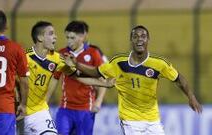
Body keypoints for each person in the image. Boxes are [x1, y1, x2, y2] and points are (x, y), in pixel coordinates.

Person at [64, 25, 202, 135]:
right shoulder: (118, 62)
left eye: (143, 36)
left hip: (153, 120)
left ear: (148, 40)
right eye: (135, 36)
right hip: (130, 121)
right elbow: (95, 72)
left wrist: (191, 97)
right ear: (131, 40)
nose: (139, 39)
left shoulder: (159, 64)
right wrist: (77, 64)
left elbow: (179, 79)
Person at [16, 21, 76, 135]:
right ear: (40, 37)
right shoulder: (24, 58)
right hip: (20, 113)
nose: (55, 36)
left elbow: (78, 76)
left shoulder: (57, 58)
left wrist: (74, 65)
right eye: (51, 33)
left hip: (40, 112)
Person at [52, 20, 107, 135]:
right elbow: (54, 78)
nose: (68, 41)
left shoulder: (93, 53)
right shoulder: (62, 54)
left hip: (86, 109)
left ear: (82, 37)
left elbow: (103, 81)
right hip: (65, 108)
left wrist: (98, 101)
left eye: (72, 38)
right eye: (67, 37)